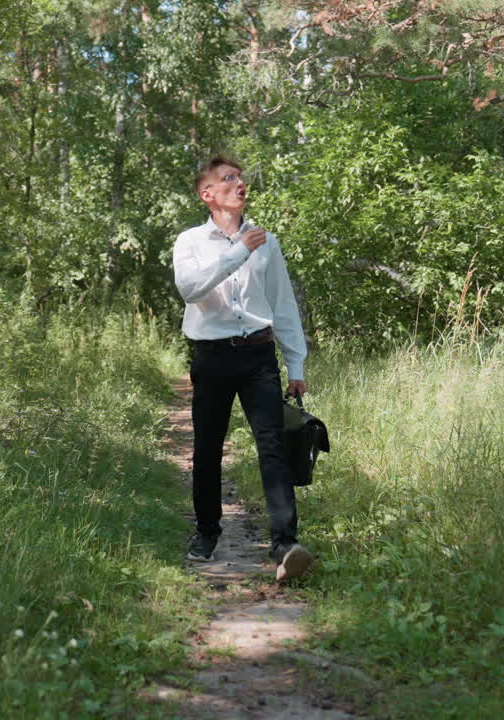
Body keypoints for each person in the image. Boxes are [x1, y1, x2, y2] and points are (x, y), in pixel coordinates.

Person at [172, 154, 312, 582]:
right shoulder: (190, 242)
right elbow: (190, 289)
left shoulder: (265, 241)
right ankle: (207, 533)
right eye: (227, 179)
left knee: (272, 446)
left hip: (258, 355)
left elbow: (282, 304)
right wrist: (236, 253)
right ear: (207, 194)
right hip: (211, 356)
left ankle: (285, 544)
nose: (240, 184)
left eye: (241, 178)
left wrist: (296, 362)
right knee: (208, 447)